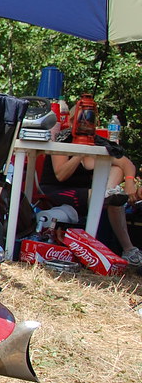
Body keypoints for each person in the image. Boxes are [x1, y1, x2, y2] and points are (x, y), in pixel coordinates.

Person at [37, 107, 142, 266]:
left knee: (117, 173)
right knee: (107, 197)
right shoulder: (62, 139)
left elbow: (126, 163)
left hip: (90, 194)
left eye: (89, 122)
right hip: (57, 190)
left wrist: (129, 182)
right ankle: (125, 247)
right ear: (71, 121)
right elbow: (61, 175)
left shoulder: (98, 142)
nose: (84, 126)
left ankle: (128, 249)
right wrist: (81, 151)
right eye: (80, 121)